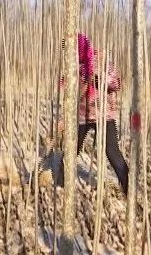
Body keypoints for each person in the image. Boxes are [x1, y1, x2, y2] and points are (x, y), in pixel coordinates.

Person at [43, 32, 129, 195]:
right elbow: (65, 86)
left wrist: (99, 79)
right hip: (81, 116)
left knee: (112, 152)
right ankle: (61, 185)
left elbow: (116, 84)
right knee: (71, 150)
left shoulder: (101, 60)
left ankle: (129, 189)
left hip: (104, 116)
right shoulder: (73, 65)